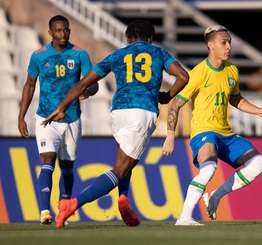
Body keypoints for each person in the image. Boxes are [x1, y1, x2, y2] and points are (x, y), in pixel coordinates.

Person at [41, 19, 189, 229]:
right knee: (120, 169)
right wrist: (166, 97)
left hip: (118, 113)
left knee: (127, 160)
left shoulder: (117, 55)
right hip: (142, 111)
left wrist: (62, 106)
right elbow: (183, 76)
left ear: (128, 38)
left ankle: (123, 200)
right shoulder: (159, 53)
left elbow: (84, 83)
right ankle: (72, 204)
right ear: (151, 38)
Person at [162, 25, 262, 226]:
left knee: (258, 163)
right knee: (208, 169)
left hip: (226, 134)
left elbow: (235, 99)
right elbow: (175, 104)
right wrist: (170, 135)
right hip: (204, 132)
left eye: (229, 42)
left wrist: (258, 110)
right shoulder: (198, 73)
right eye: (223, 43)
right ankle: (185, 217)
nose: (228, 47)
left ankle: (215, 195)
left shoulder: (232, 70)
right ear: (210, 45)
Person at [18, 15, 98, 224]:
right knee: (47, 161)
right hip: (46, 118)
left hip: (72, 119)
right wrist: (22, 116)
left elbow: (94, 82)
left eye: (66, 30)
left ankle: (64, 208)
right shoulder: (39, 56)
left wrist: (88, 91)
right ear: (50, 32)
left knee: (67, 166)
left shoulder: (80, 54)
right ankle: (44, 211)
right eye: (59, 30)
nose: (63, 34)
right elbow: (29, 85)